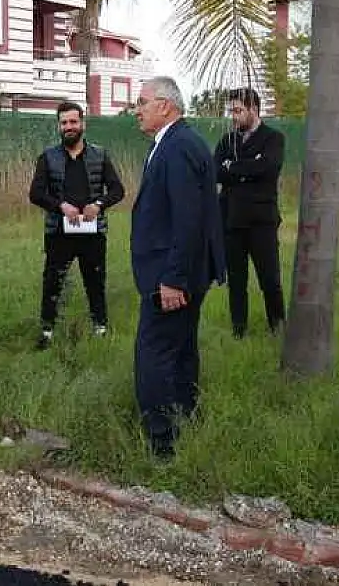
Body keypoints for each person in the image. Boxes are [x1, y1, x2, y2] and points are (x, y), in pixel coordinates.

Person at [131, 76, 226, 459]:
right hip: (182, 271)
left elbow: (188, 220)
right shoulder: (174, 143)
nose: (136, 110)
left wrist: (173, 278)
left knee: (153, 353)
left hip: (171, 276)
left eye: (142, 102)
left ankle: (161, 441)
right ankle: (185, 417)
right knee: (182, 348)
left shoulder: (179, 147)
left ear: (165, 106)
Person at [28, 101, 126, 349]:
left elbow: (118, 190)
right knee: (53, 281)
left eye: (73, 122)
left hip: (92, 232)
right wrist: (61, 206)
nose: (69, 127)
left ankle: (100, 327)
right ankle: (47, 331)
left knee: (95, 280)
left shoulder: (100, 155)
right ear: (59, 126)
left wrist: (99, 205)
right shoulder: (47, 157)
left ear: (83, 123)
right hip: (59, 232)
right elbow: (35, 193)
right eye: (64, 123)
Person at [214, 87, 286, 338]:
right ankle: (238, 331)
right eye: (231, 110)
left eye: (237, 111)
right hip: (231, 221)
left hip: (261, 222)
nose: (233, 116)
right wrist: (244, 169)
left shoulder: (273, 139)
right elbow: (216, 172)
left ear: (253, 110)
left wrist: (233, 167)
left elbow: (266, 169)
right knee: (236, 281)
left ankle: (277, 327)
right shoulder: (227, 140)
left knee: (270, 279)